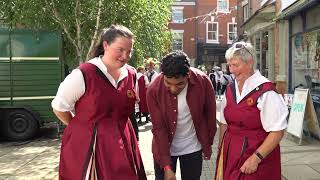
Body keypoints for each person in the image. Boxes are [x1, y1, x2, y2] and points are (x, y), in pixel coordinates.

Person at [51, 24, 147, 180]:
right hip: (91, 144)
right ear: (105, 45)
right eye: (120, 50)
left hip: (123, 140)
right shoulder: (83, 74)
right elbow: (59, 107)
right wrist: (81, 128)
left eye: (129, 51)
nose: (125, 56)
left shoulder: (131, 73)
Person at [215, 41, 288, 180]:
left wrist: (256, 158)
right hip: (230, 153)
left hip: (257, 155)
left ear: (250, 63)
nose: (231, 70)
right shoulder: (230, 89)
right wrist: (221, 150)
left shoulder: (266, 92)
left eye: (235, 65)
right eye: (229, 65)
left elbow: (278, 131)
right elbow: (224, 124)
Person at [146, 51, 217, 180]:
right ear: (163, 75)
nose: (173, 89)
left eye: (179, 84)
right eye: (168, 83)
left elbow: (210, 116)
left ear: (188, 74)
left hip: (193, 148)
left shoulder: (203, 82)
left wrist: (208, 143)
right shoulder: (153, 89)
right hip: (163, 149)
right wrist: (167, 167)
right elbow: (159, 128)